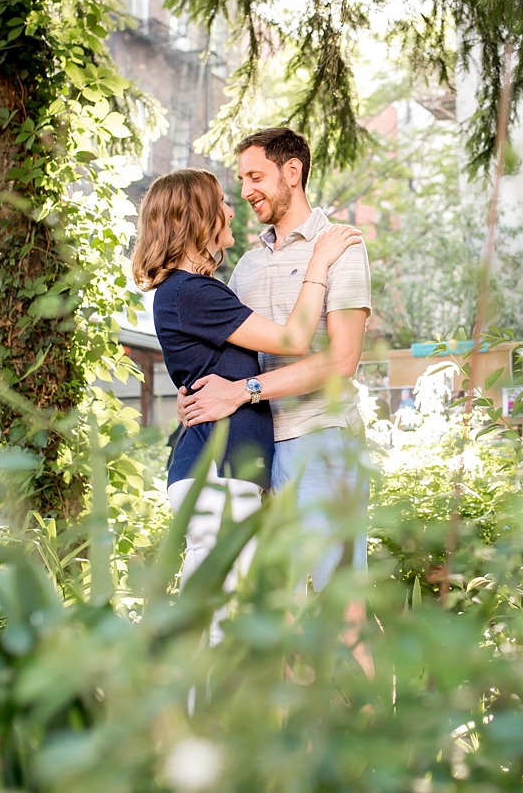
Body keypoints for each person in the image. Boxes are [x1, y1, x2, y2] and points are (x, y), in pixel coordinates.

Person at [131, 167, 361, 588]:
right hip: (215, 469)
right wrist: (320, 261)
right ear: (195, 216)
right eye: (220, 202)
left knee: (228, 609)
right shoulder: (192, 292)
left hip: (223, 468)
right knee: (220, 615)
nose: (231, 210)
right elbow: (293, 338)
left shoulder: (194, 291)